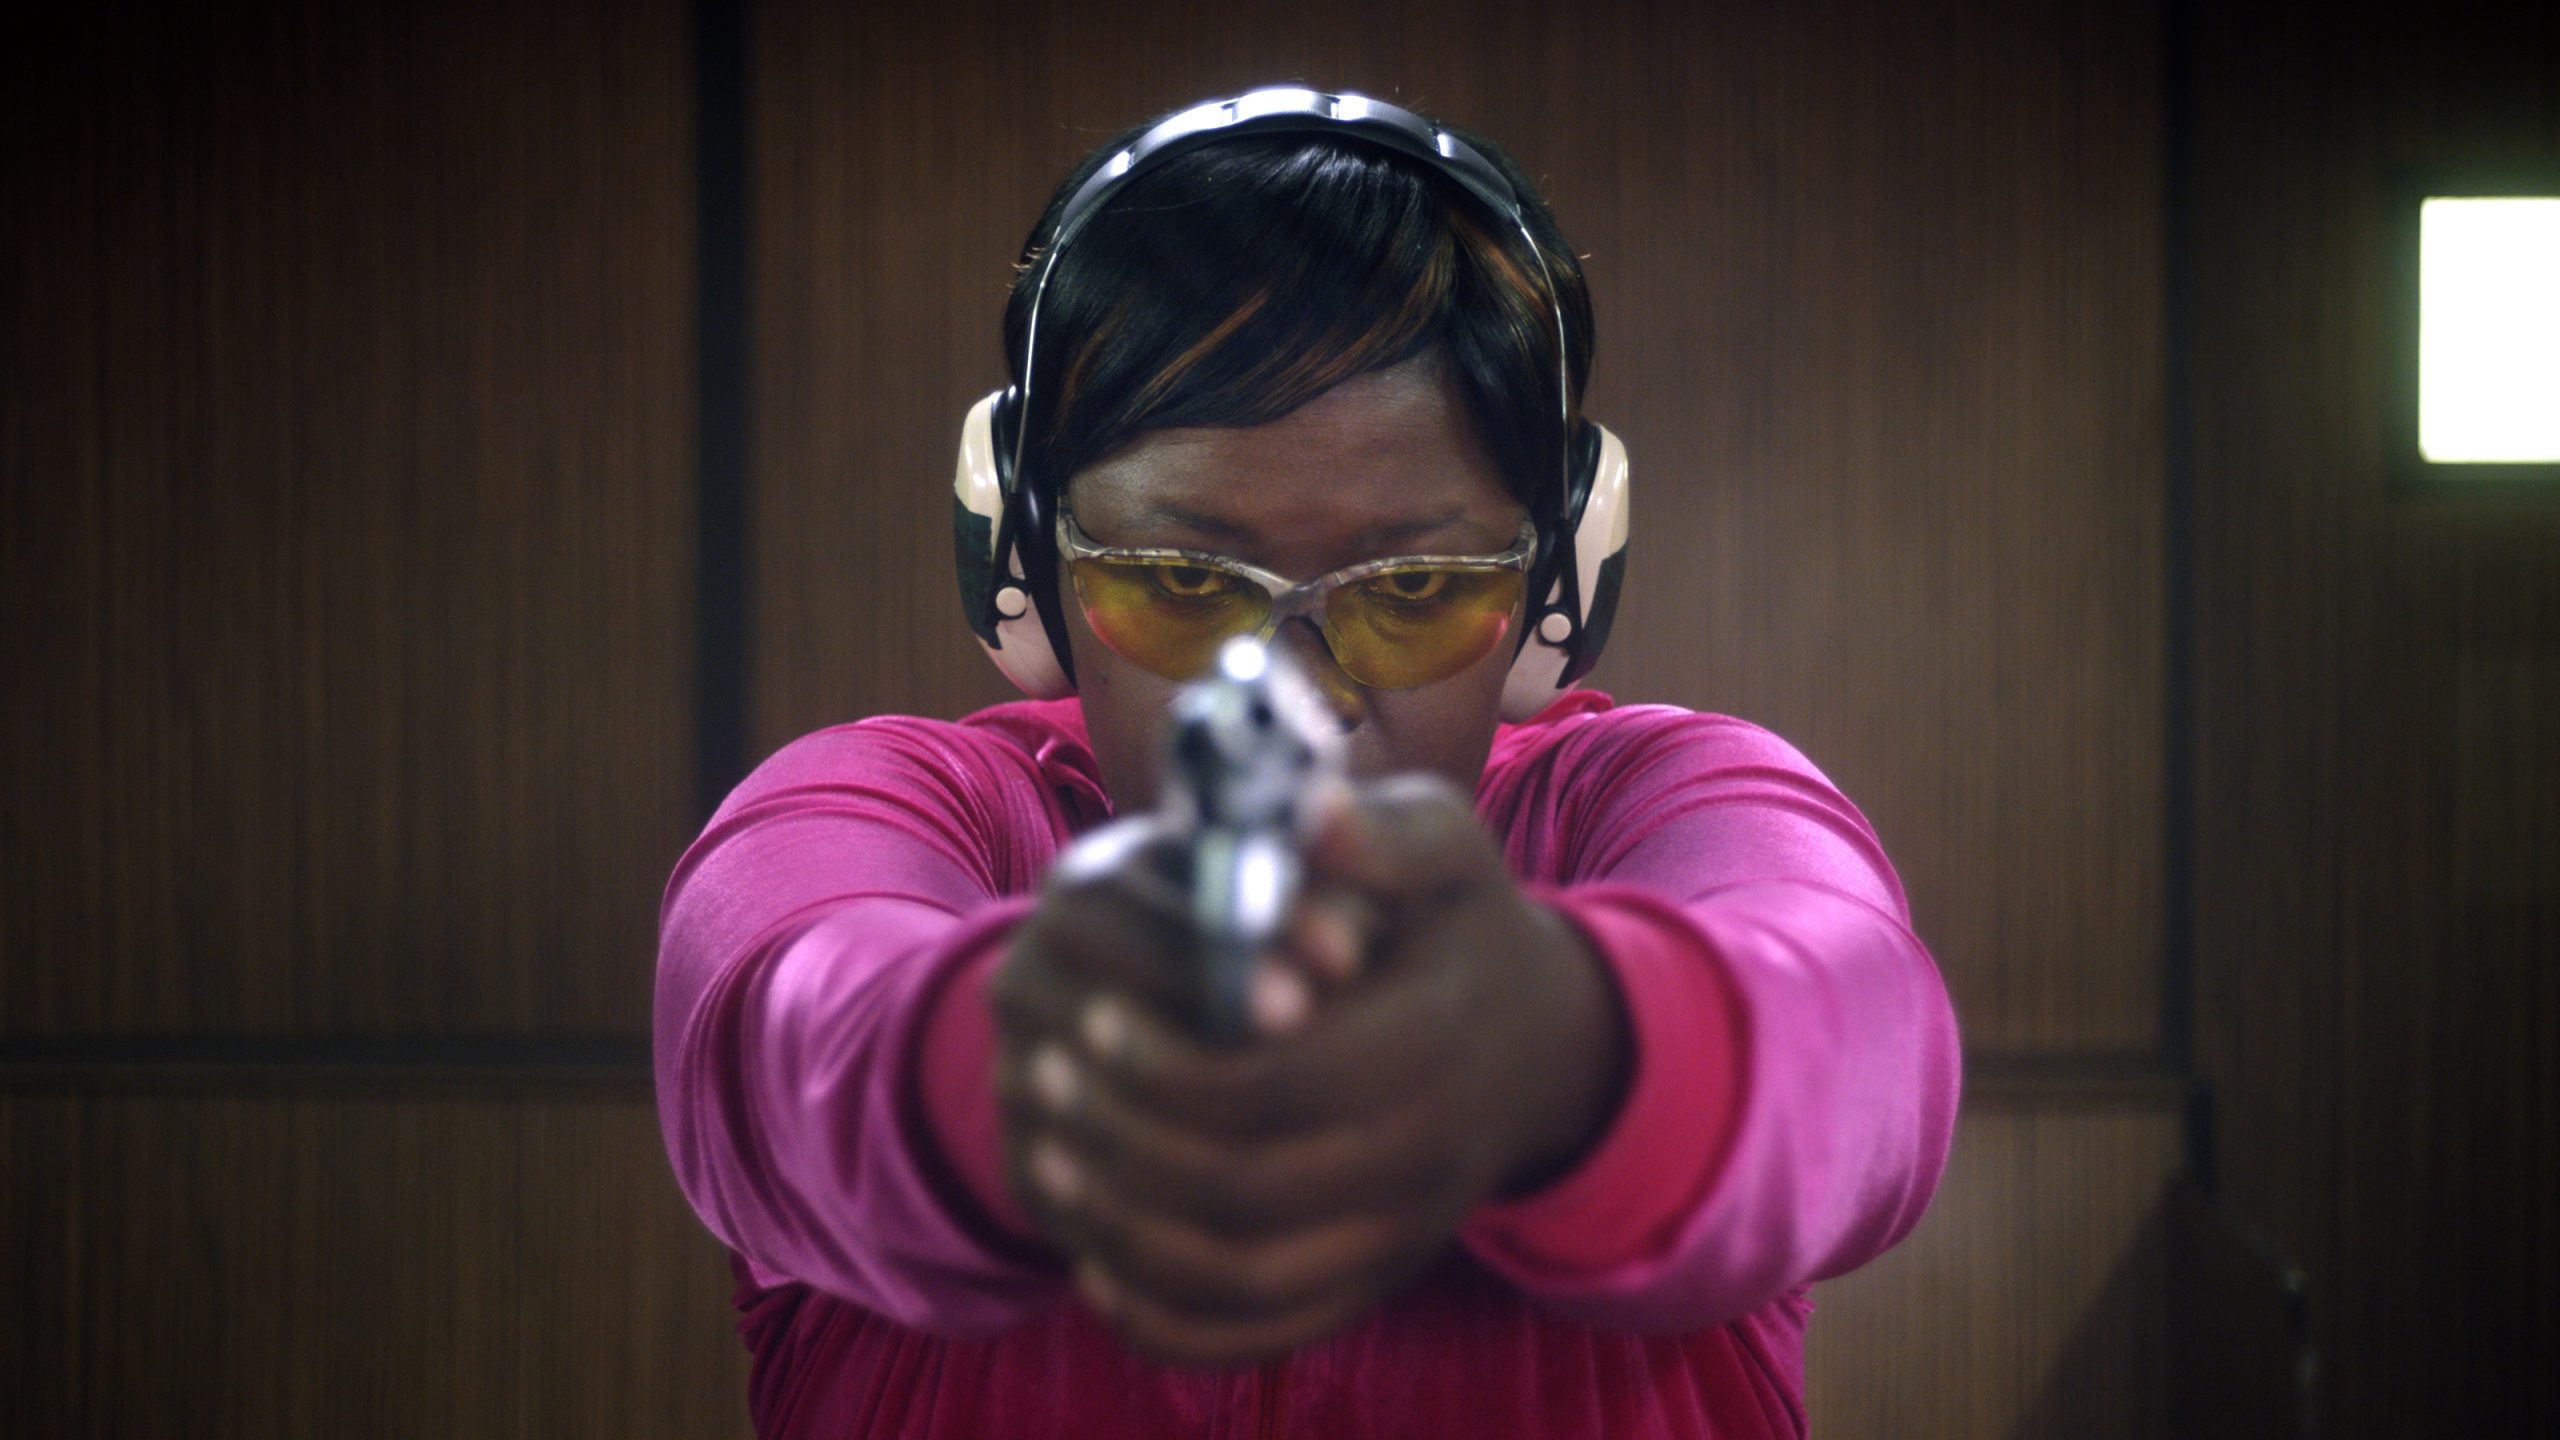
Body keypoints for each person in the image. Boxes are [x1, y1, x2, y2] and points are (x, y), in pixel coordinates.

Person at [655, 88, 1960, 1440]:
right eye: (1178, 582)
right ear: (1027, 559)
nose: (1293, 702)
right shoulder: (889, 809)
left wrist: (1565, 1049)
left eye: (1413, 590)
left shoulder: (1667, 800)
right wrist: (1018, 1068)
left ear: (1554, 579)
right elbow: (772, 1034)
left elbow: (1860, 1042)